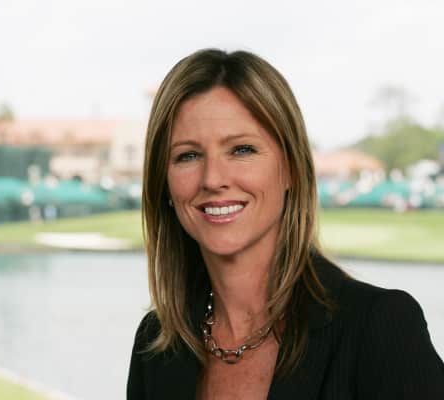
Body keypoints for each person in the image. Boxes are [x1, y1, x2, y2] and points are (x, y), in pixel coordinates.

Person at [127, 48, 444, 399]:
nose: (213, 179)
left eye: (242, 149)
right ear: (164, 183)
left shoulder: (380, 327)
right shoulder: (155, 345)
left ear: (291, 167)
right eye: (187, 155)